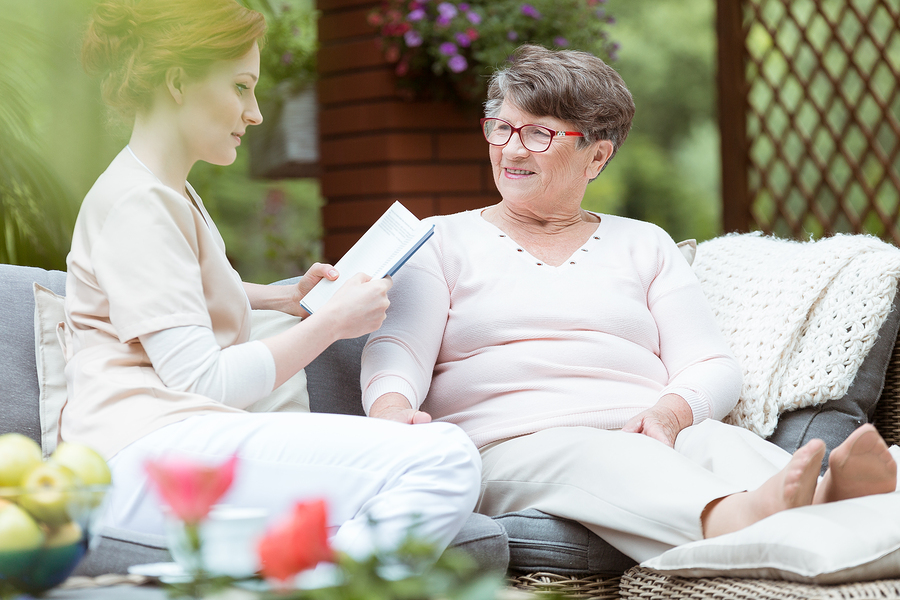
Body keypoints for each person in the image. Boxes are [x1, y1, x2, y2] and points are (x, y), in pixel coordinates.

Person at [360, 44, 898, 562]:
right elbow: (397, 347)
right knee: (597, 454)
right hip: (511, 443)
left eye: (540, 134)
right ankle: (735, 519)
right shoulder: (437, 240)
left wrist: (669, 414)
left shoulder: (645, 242)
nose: (513, 148)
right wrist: (391, 413)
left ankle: (838, 501)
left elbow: (709, 363)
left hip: (645, 433)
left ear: (596, 155)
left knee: (713, 441)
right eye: (502, 127)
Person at [64, 0, 480, 562]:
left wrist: (287, 297)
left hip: (162, 446)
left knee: (411, 472)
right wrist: (332, 324)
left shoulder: (162, 191)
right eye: (241, 87)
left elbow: (175, 299)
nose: (256, 112)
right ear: (179, 81)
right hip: (145, 453)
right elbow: (204, 382)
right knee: (444, 458)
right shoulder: (139, 204)